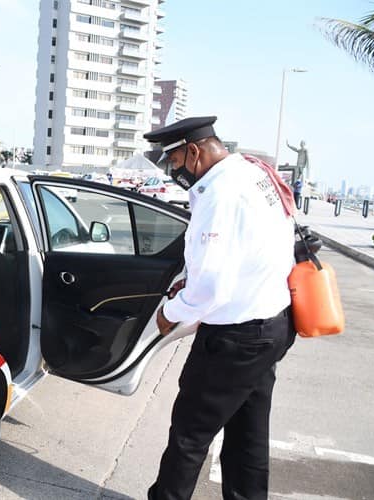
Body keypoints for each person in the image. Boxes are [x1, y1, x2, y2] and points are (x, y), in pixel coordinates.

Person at [142, 117, 297, 500]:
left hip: (236, 336)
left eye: (175, 161)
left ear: (194, 151)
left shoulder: (221, 193)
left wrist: (171, 313)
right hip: (272, 324)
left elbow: (211, 286)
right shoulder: (252, 172)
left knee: (189, 435)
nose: (174, 171)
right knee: (248, 436)